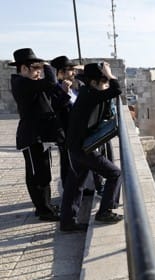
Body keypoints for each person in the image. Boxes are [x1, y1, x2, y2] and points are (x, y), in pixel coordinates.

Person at [60, 62, 123, 232]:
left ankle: (67, 222)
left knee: (75, 184)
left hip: (76, 146)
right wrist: (110, 74)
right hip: (81, 148)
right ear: (94, 82)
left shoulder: (87, 92)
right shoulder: (91, 94)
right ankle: (105, 211)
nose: (106, 84)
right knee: (115, 173)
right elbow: (117, 89)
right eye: (104, 81)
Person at [9, 48, 67, 221]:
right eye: (35, 68)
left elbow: (51, 96)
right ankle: (43, 210)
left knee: (44, 172)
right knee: (37, 175)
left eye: (39, 68)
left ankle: (45, 205)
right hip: (32, 135)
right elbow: (50, 81)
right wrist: (48, 65)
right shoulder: (21, 82)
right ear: (23, 69)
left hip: (41, 135)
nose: (38, 72)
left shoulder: (32, 84)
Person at [49, 55, 80, 185]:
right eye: (70, 70)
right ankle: (68, 190)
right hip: (65, 133)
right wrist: (63, 92)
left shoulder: (74, 87)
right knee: (67, 163)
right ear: (60, 72)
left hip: (76, 132)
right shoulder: (55, 88)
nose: (73, 73)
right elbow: (55, 108)